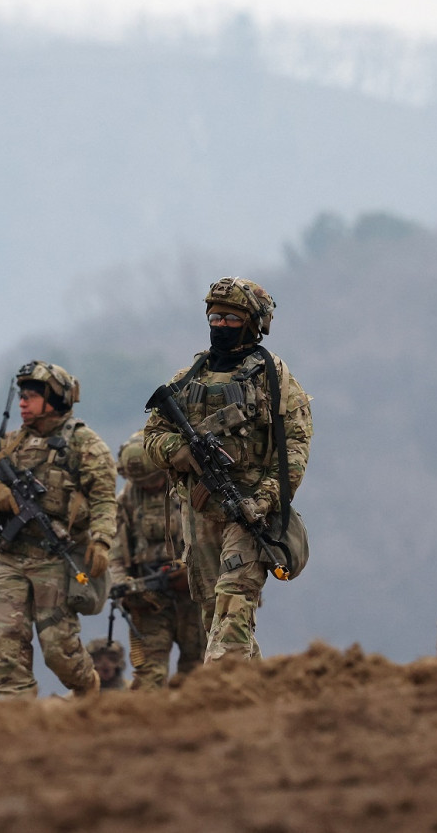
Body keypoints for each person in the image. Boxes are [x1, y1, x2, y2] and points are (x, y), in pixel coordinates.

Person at [143, 277, 313, 662]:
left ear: (253, 324)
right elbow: (152, 437)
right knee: (212, 614)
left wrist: (266, 500)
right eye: (215, 316)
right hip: (200, 512)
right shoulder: (188, 379)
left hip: (249, 511)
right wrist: (179, 451)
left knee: (234, 603)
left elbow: (295, 451)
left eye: (231, 319)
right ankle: (252, 696)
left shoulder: (275, 378)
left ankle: (222, 695)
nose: (220, 325)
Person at [0, 360, 116, 698]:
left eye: (31, 396)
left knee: (59, 650)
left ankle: (88, 689)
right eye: (21, 396)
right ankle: (21, 723)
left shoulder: (85, 444)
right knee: (4, 646)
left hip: (56, 559)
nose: (22, 403)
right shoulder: (6, 446)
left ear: (55, 399)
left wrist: (102, 542)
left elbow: (104, 499)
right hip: (11, 557)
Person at [109, 430, 206, 689]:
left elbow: (214, 541)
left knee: (197, 672)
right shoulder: (125, 503)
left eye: (154, 480)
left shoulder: (191, 489)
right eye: (142, 483)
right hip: (149, 603)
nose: (149, 487)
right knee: (149, 677)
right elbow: (115, 556)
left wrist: (192, 574)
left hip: (193, 599)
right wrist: (125, 590)